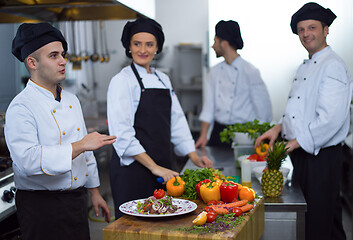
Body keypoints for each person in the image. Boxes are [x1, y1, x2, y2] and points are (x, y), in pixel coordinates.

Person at [5, 23, 117, 240]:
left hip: (75, 202)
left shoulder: (71, 99)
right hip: (42, 208)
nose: (63, 61)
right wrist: (81, 145)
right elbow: (27, 161)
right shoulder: (21, 107)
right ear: (32, 62)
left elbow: (87, 152)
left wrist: (94, 192)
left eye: (63, 54)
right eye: (54, 55)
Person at [255, 3, 352, 239]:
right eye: (301, 29)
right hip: (306, 153)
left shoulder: (333, 66)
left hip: (321, 156)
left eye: (312, 27)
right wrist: (278, 129)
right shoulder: (305, 65)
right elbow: (300, 108)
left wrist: (293, 144)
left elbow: (331, 120)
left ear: (326, 30)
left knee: (317, 221)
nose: (306, 34)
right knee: (326, 218)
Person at [107, 17, 213, 219]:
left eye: (149, 44)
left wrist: (193, 156)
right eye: (137, 44)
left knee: (163, 225)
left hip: (164, 168)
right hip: (134, 171)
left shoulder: (162, 79)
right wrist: (154, 167)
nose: (142, 50)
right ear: (129, 47)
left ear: (157, 48)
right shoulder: (122, 81)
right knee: (135, 228)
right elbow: (122, 135)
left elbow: (177, 121)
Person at [195, 20, 272, 149]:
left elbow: (264, 111)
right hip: (219, 133)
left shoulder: (250, 71)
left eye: (215, 41)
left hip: (244, 134)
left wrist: (262, 137)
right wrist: (203, 136)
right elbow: (209, 107)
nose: (213, 46)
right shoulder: (214, 72)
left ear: (224, 44)